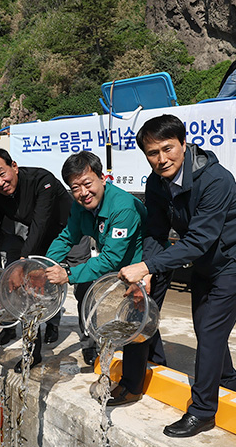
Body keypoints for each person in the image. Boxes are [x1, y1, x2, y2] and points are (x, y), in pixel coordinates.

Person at [118, 114, 236, 438]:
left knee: (210, 329)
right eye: (152, 153)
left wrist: (147, 267)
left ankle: (202, 411)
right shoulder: (156, 182)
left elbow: (199, 240)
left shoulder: (214, 179)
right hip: (207, 261)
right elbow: (155, 231)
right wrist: (149, 269)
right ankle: (228, 383)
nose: (161, 159)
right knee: (205, 324)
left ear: (184, 143)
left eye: (168, 149)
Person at [44, 151, 165, 406]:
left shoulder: (122, 207)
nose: (83, 192)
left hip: (147, 266)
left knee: (134, 322)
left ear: (102, 177)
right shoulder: (79, 207)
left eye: (87, 184)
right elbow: (67, 236)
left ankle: (131, 388)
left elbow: (110, 259)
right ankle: (159, 364)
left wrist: (68, 274)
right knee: (145, 321)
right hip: (123, 268)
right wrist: (46, 265)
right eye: (75, 188)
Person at [0, 148, 71, 371]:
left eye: (1, 173)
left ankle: (90, 341)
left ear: (14, 166)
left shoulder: (41, 180)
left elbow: (41, 222)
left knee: (81, 287)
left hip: (69, 233)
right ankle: (32, 353)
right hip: (36, 237)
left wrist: (22, 264)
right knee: (26, 292)